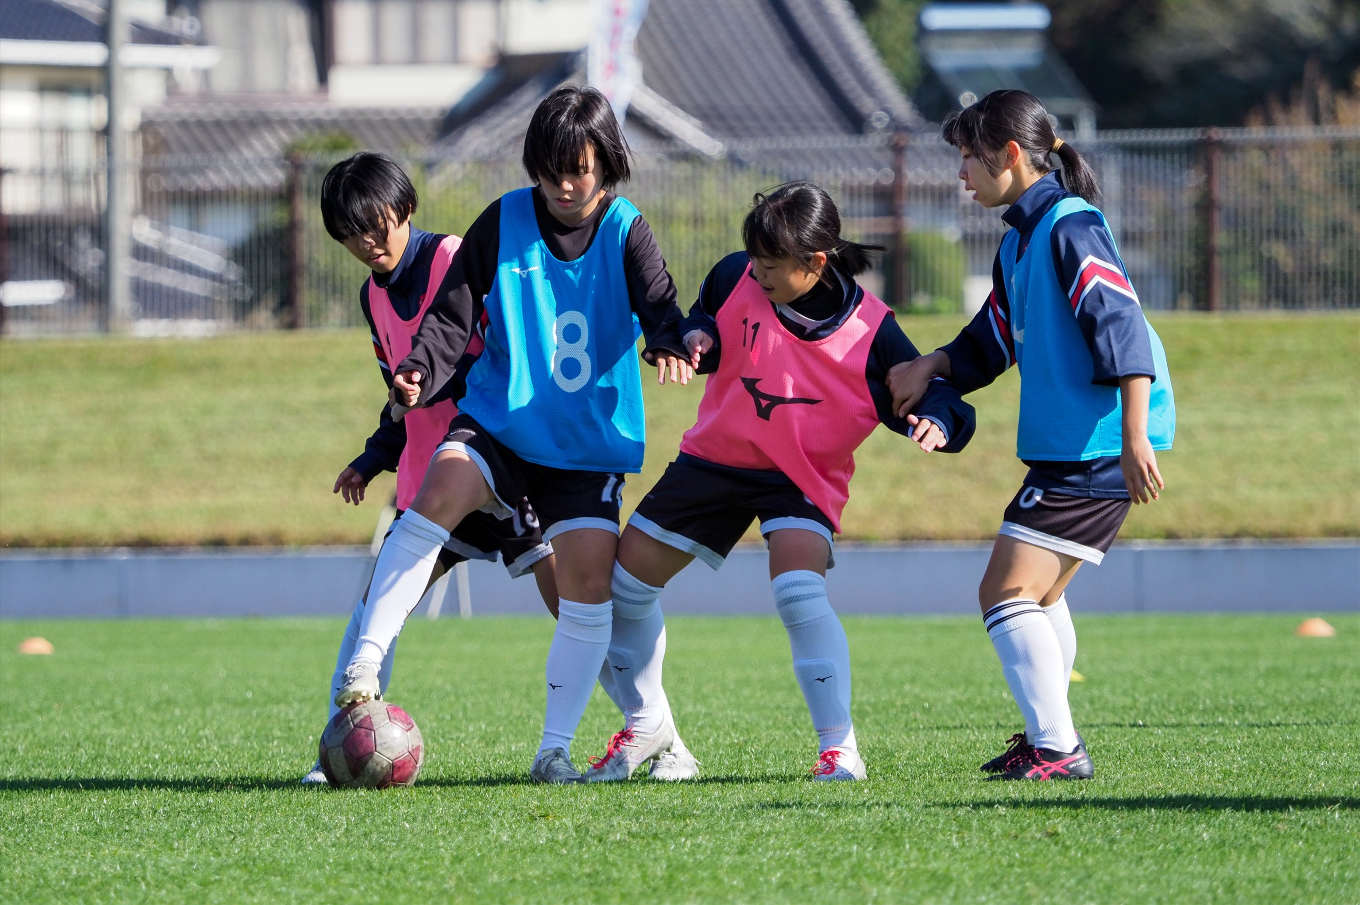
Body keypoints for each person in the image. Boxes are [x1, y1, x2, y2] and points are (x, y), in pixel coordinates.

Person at [333, 87, 700, 784]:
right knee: (434, 497)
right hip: (499, 424)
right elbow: (450, 316)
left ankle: (560, 749)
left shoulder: (627, 228)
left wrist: (670, 343)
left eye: (580, 171)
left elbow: (660, 302)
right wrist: (417, 371)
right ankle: (363, 665)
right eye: (551, 170)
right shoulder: (503, 220)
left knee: (587, 592)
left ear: (608, 165)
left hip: (586, 447)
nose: (565, 186)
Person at [584, 182, 977, 783]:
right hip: (715, 461)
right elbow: (707, 324)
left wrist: (939, 420)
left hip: (801, 478)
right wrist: (696, 338)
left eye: (770, 267)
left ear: (815, 263)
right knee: (619, 592)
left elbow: (937, 396)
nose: (756, 276)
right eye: (754, 262)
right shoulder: (734, 275)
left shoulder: (873, 333)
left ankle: (840, 751)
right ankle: (657, 735)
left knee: (798, 592)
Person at [889, 90, 1175, 781]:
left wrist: (1135, 435)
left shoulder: (1072, 226)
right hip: (1071, 445)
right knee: (1038, 596)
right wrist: (934, 363)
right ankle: (1047, 737)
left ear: (1010, 155)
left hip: (1097, 444)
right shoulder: (1022, 237)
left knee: (1004, 594)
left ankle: (1057, 748)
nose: (961, 173)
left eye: (968, 156)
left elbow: (1122, 328)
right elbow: (992, 338)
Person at [300, 152, 565, 785]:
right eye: (350, 235)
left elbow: (504, 354)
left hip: (504, 464)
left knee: (574, 602)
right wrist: (373, 456)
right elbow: (401, 391)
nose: (367, 244)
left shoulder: (455, 258)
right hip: (434, 480)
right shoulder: (373, 296)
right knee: (376, 606)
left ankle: (650, 727)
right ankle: (338, 748)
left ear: (406, 209)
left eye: (377, 226)